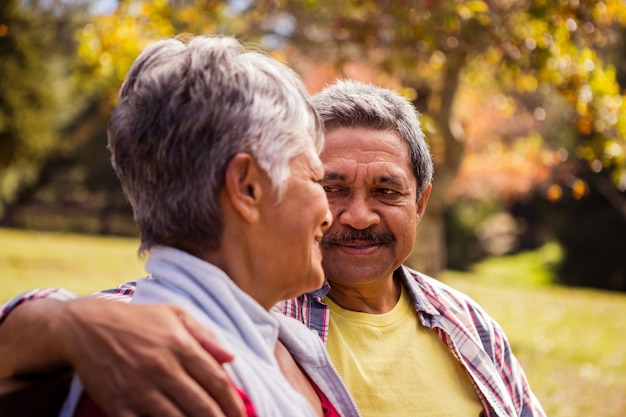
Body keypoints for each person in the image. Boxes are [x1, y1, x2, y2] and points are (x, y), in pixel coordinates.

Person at [0, 79, 546, 417]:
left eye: (385, 191)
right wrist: (66, 323)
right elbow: (134, 315)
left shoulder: (467, 325)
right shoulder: (259, 308)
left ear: (421, 202)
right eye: (329, 185)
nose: (355, 215)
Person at [2, 34, 364, 417]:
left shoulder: (273, 336)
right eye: (313, 178)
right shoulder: (174, 381)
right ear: (247, 187)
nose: (328, 213)